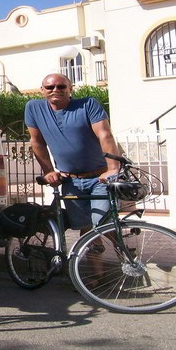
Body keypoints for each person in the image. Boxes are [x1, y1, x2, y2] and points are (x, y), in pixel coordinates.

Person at [24, 74, 120, 233]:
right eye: (50, 87)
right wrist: (48, 171)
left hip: (100, 178)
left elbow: (105, 135)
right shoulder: (34, 108)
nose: (55, 90)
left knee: (102, 223)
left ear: (70, 88)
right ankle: (93, 253)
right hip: (70, 181)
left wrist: (113, 168)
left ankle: (126, 255)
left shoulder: (88, 104)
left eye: (61, 86)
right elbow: (37, 141)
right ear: (42, 90)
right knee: (83, 226)